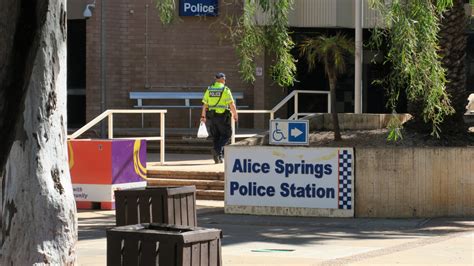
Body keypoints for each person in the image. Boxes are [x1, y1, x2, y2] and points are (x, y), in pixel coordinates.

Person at [200, 73, 238, 164]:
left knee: (216, 137)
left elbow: (205, 105)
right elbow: (231, 104)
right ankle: (216, 150)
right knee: (227, 135)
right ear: (222, 79)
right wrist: (235, 114)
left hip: (212, 117)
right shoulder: (225, 89)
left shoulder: (209, 89)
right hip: (222, 116)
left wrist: (203, 116)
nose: (225, 81)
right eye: (224, 79)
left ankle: (218, 158)